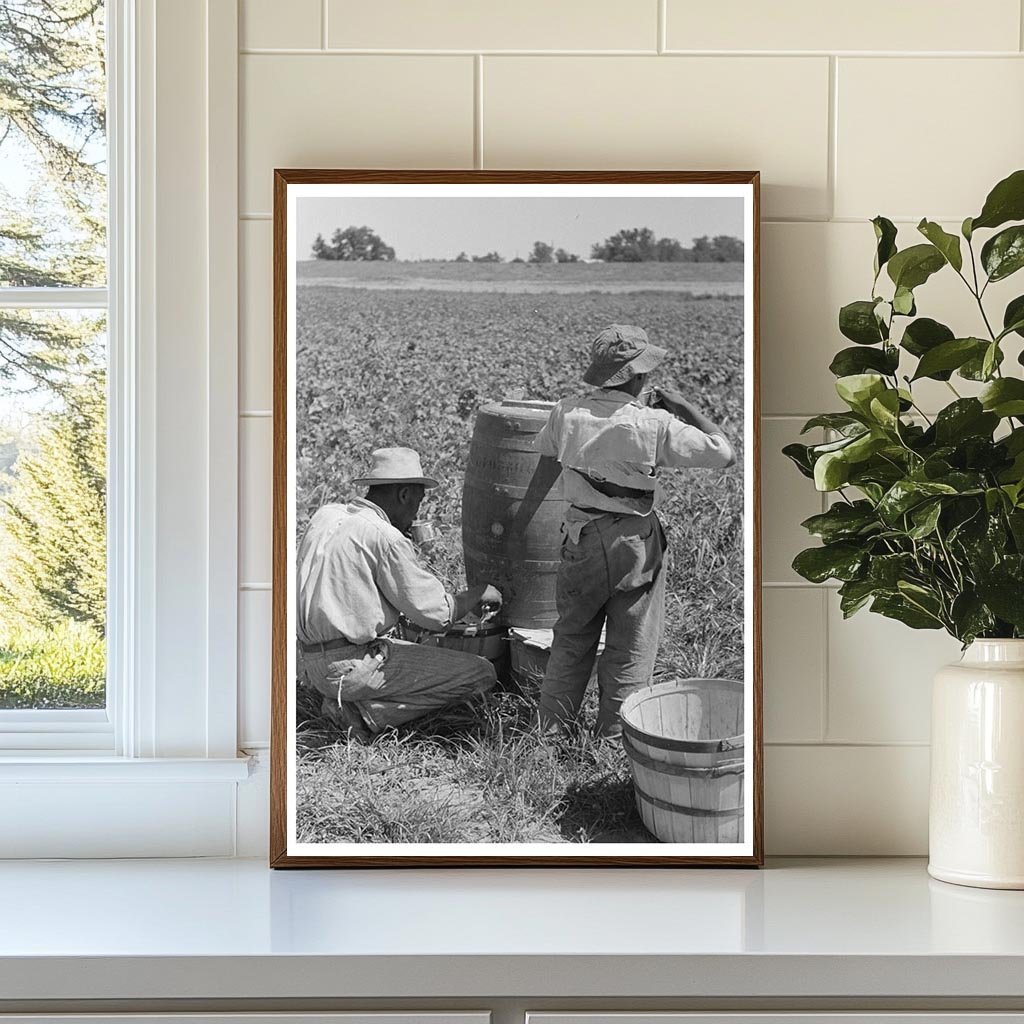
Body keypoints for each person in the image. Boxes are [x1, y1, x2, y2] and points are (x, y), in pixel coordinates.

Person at [535, 323, 736, 738]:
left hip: (581, 536)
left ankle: (549, 735)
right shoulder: (654, 423)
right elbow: (724, 453)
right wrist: (682, 407)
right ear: (640, 377)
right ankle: (612, 740)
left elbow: (545, 458)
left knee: (571, 638)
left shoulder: (566, 411)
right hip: (633, 542)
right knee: (631, 644)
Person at [296, 446, 502, 738]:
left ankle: (343, 700)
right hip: (352, 666)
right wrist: (479, 592)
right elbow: (438, 615)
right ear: (404, 495)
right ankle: (366, 715)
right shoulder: (384, 536)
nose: (414, 515)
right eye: (417, 503)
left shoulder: (326, 516)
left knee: (415, 652)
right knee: (481, 672)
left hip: (310, 664)